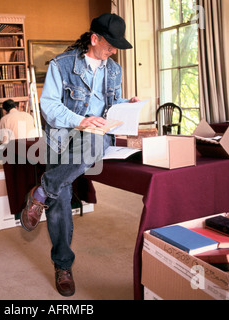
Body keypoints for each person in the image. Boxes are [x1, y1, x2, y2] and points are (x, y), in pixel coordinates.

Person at [19, 13, 139, 296]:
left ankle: (39, 193)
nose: (113, 52)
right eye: (110, 45)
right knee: (60, 198)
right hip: (62, 135)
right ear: (94, 39)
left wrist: (126, 103)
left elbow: (109, 104)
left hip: (95, 136)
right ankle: (63, 265)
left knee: (95, 146)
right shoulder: (62, 65)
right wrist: (80, 120)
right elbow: (48, 107)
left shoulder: (114, 70)